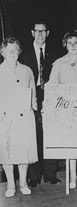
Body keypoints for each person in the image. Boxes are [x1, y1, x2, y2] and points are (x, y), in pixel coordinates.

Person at [19, 19, 61, 187]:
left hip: (51, 96)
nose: (40, 34)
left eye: (43, 31)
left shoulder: (56, 52)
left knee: (50, 134)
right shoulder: (24, 53)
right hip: (30, 95)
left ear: (48, 33)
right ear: (32, 33)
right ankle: (34, 176)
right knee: (33, 134)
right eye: (37, 31)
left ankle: (51, 174)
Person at [47, 30, 77, 188]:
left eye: (76, 42)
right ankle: (72, 176)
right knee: (71, 143)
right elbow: (52, 86)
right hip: (66, 111)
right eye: (69, 43)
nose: (73, 46)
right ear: (65, 44)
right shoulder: (58, 63)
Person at [0, 37, 37, 197]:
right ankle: (10, 185)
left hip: (24, 117)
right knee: (7, 153)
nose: (12, 53)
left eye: (15, 50)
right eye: (9, 51)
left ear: (19, 51)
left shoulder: (27, 70)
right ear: (2, 53)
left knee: (23, 152)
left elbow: (33, 93)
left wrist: (35, 107)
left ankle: (23, 183)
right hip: (5, 118)